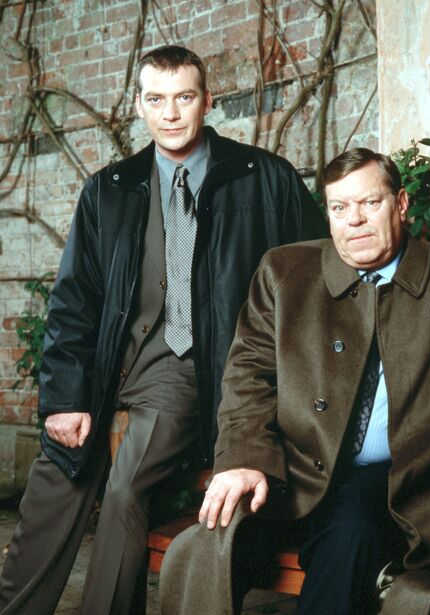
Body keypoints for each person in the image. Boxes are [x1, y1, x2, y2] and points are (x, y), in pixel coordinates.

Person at [159, 148, 430, 615]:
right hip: (289, 471)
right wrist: (243, 458)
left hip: (398, 486)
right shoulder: (283, 272)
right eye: (339, 208)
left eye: (369, 203)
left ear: (401, 204)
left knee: (350, 534)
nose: (353, 220)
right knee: (208, 542)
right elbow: (249, 377)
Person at [0, 45, 327, 615]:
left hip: (191, 366)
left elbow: (319, 275)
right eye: (156, 99)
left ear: (207, 101)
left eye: (183, 98)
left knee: (125, 486)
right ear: (139, 106)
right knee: (57, 478)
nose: (170, 113)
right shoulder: (109, 188)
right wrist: (67, 398)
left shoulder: (263, 177)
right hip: (112, 363)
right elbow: (75, 301)